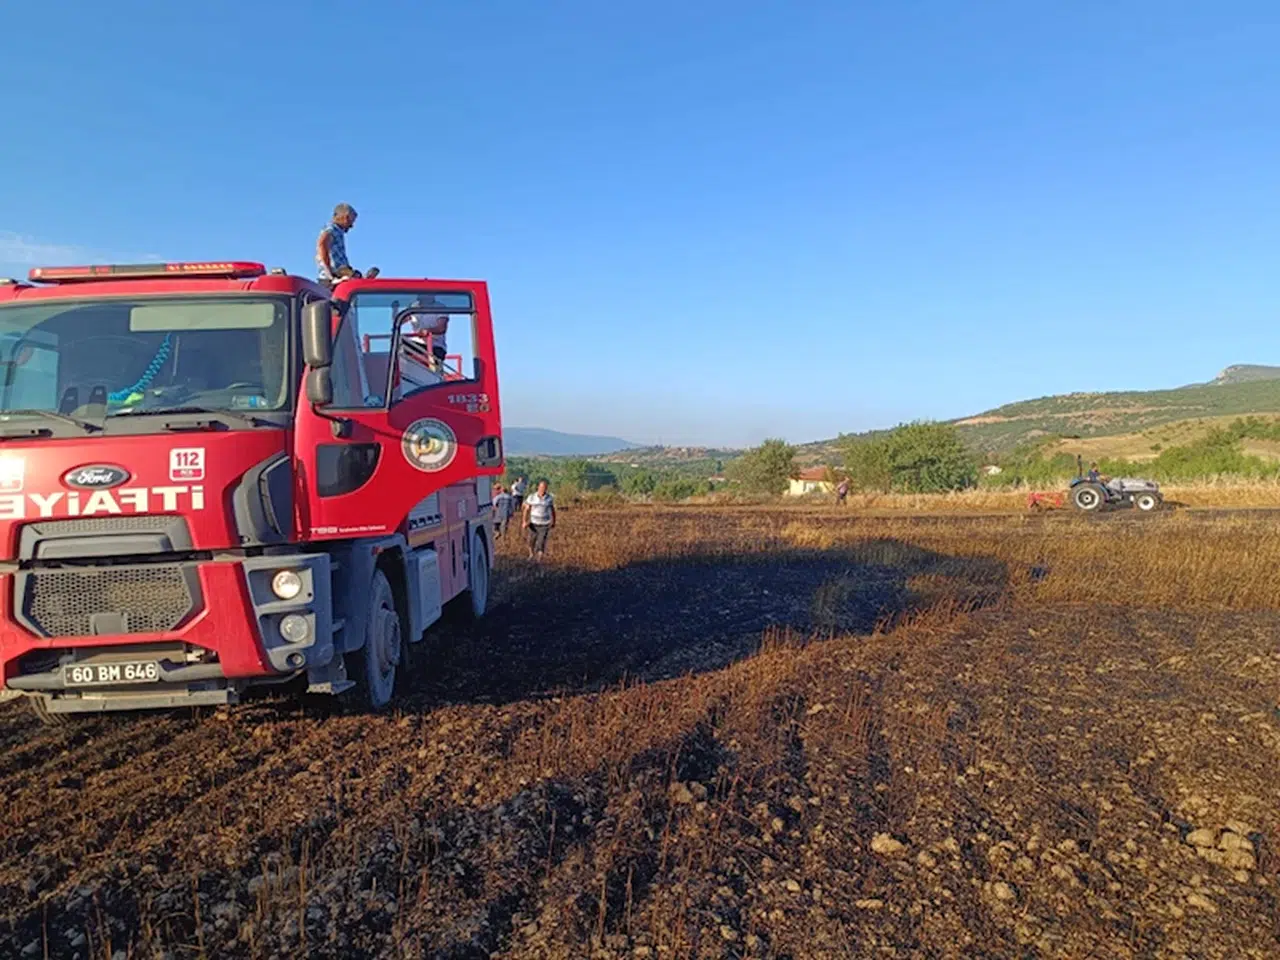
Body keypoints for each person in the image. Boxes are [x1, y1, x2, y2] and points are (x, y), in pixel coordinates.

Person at [316, 203, 379, 286]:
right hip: (333, 276)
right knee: (352, 275)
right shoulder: (332, 229)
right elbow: (322, 244)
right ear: (345, 217)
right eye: (350, 221)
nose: (351, 226)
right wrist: (330, 277)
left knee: (354, 275)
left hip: (340, 272)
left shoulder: (338, 231)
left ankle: (359, 278)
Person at [522, 479, 555, 561]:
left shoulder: (549, 498)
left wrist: (553, 521)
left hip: (544, 524)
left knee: (541, 541)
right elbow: (526, 510)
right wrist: (524, 521)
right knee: (531, 541)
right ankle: (531, 554)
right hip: (533, 523)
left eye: (544, 487)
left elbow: (552, 510)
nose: (542, 489)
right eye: (541, 487)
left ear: (546, 488)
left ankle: (539, 559)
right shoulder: (532, 497)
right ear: (538, 487)